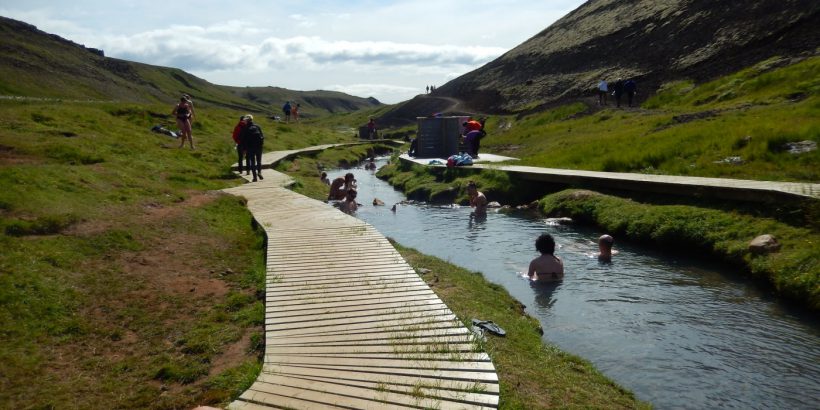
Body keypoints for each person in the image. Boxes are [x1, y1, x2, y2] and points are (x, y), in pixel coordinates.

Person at [239, 114, 264, 181]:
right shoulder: (257, 126)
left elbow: (243, 140)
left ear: (246, 121)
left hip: (250, 148)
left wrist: (244, 149)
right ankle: (259, 172)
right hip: (259, 147)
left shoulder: (245, 128)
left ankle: (254, 177)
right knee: (259, 161)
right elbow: (262, 136)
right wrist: (261, 145)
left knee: (252, 162)